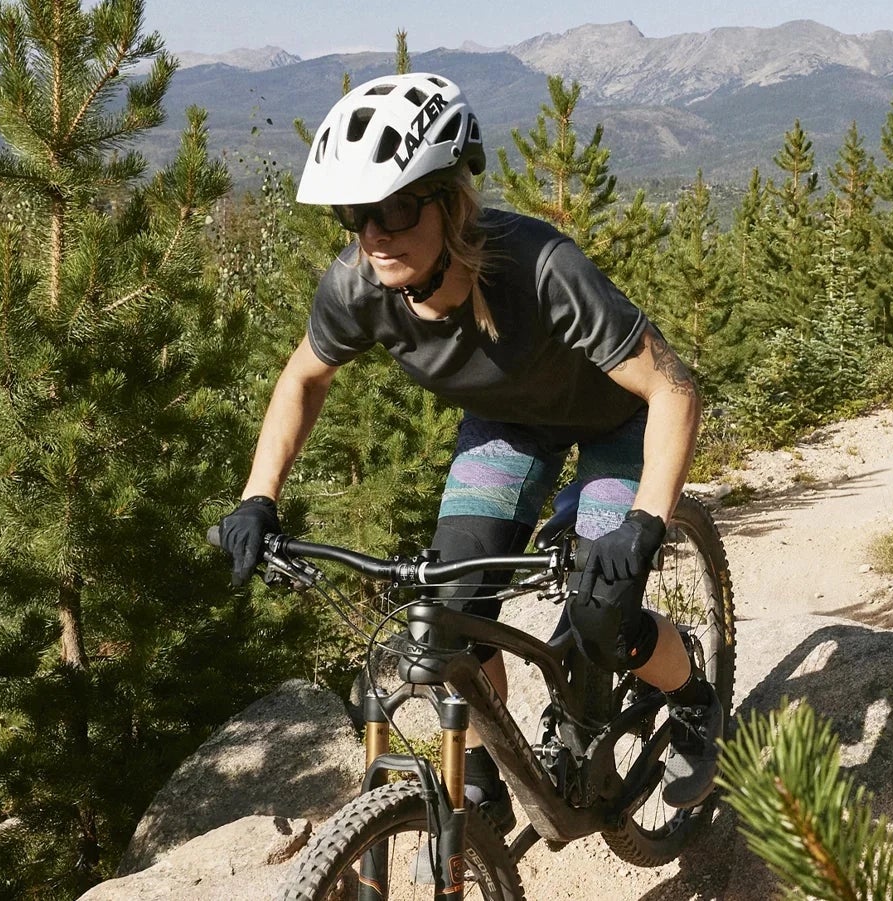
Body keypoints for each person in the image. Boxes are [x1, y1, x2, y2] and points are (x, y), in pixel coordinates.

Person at [212, 73, 720, 821]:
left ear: (450, 202)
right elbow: (303, 378)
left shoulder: (542, 269)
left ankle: (691, 695)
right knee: (452, 606)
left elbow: (675, 388)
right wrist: (259, 495)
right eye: (356, 214)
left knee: (597, 613)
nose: (373, 233)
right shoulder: (359, 285)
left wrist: (645, 520)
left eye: (393, 207)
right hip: (508, 426)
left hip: (619, 424)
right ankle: (484, 768)